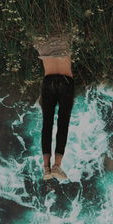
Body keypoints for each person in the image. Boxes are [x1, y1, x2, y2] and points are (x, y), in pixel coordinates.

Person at [32, 32, 75, 181]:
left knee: (48, 124)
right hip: (61, 81)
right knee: (62, 124)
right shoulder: (41, 44)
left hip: (58, 80)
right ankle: (51, 166)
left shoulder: (64, 40)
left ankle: (50, 167)